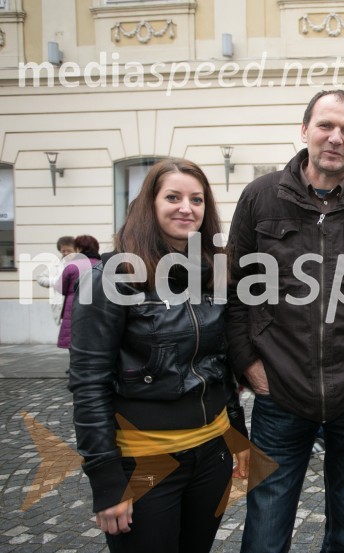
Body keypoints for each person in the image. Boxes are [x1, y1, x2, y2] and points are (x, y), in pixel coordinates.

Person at [226, 89, 344, 552]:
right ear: (305, 130)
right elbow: (235, 289)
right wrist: (248, 364)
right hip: (279, 395)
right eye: (326, 126)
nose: (335, 138)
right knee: (265, 532)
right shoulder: (260, 197)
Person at [68, 159, 249, 553]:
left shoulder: (214, 275)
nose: (187, 207)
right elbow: (88, 384)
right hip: (146, 461)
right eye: (173, 197)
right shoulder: (110, 279)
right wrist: (106, 482)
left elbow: (221, 367)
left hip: (212, 456)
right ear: (149, 204)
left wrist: (239, 439)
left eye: (197, 199)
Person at [55, 235, 101, 349]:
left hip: (74, 308)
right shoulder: (103, 265)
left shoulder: (72, 266)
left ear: (78, 249)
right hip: (99, 308)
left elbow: (60, 288)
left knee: (75, 344)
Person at [37, 235, 76, 324]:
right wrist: (56, 281)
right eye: (63, 251)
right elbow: (40, 278)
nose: (66, 253)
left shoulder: (82, 263)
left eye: (69, 250)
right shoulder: (56, 265)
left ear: (75, 249)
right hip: (62, 307)